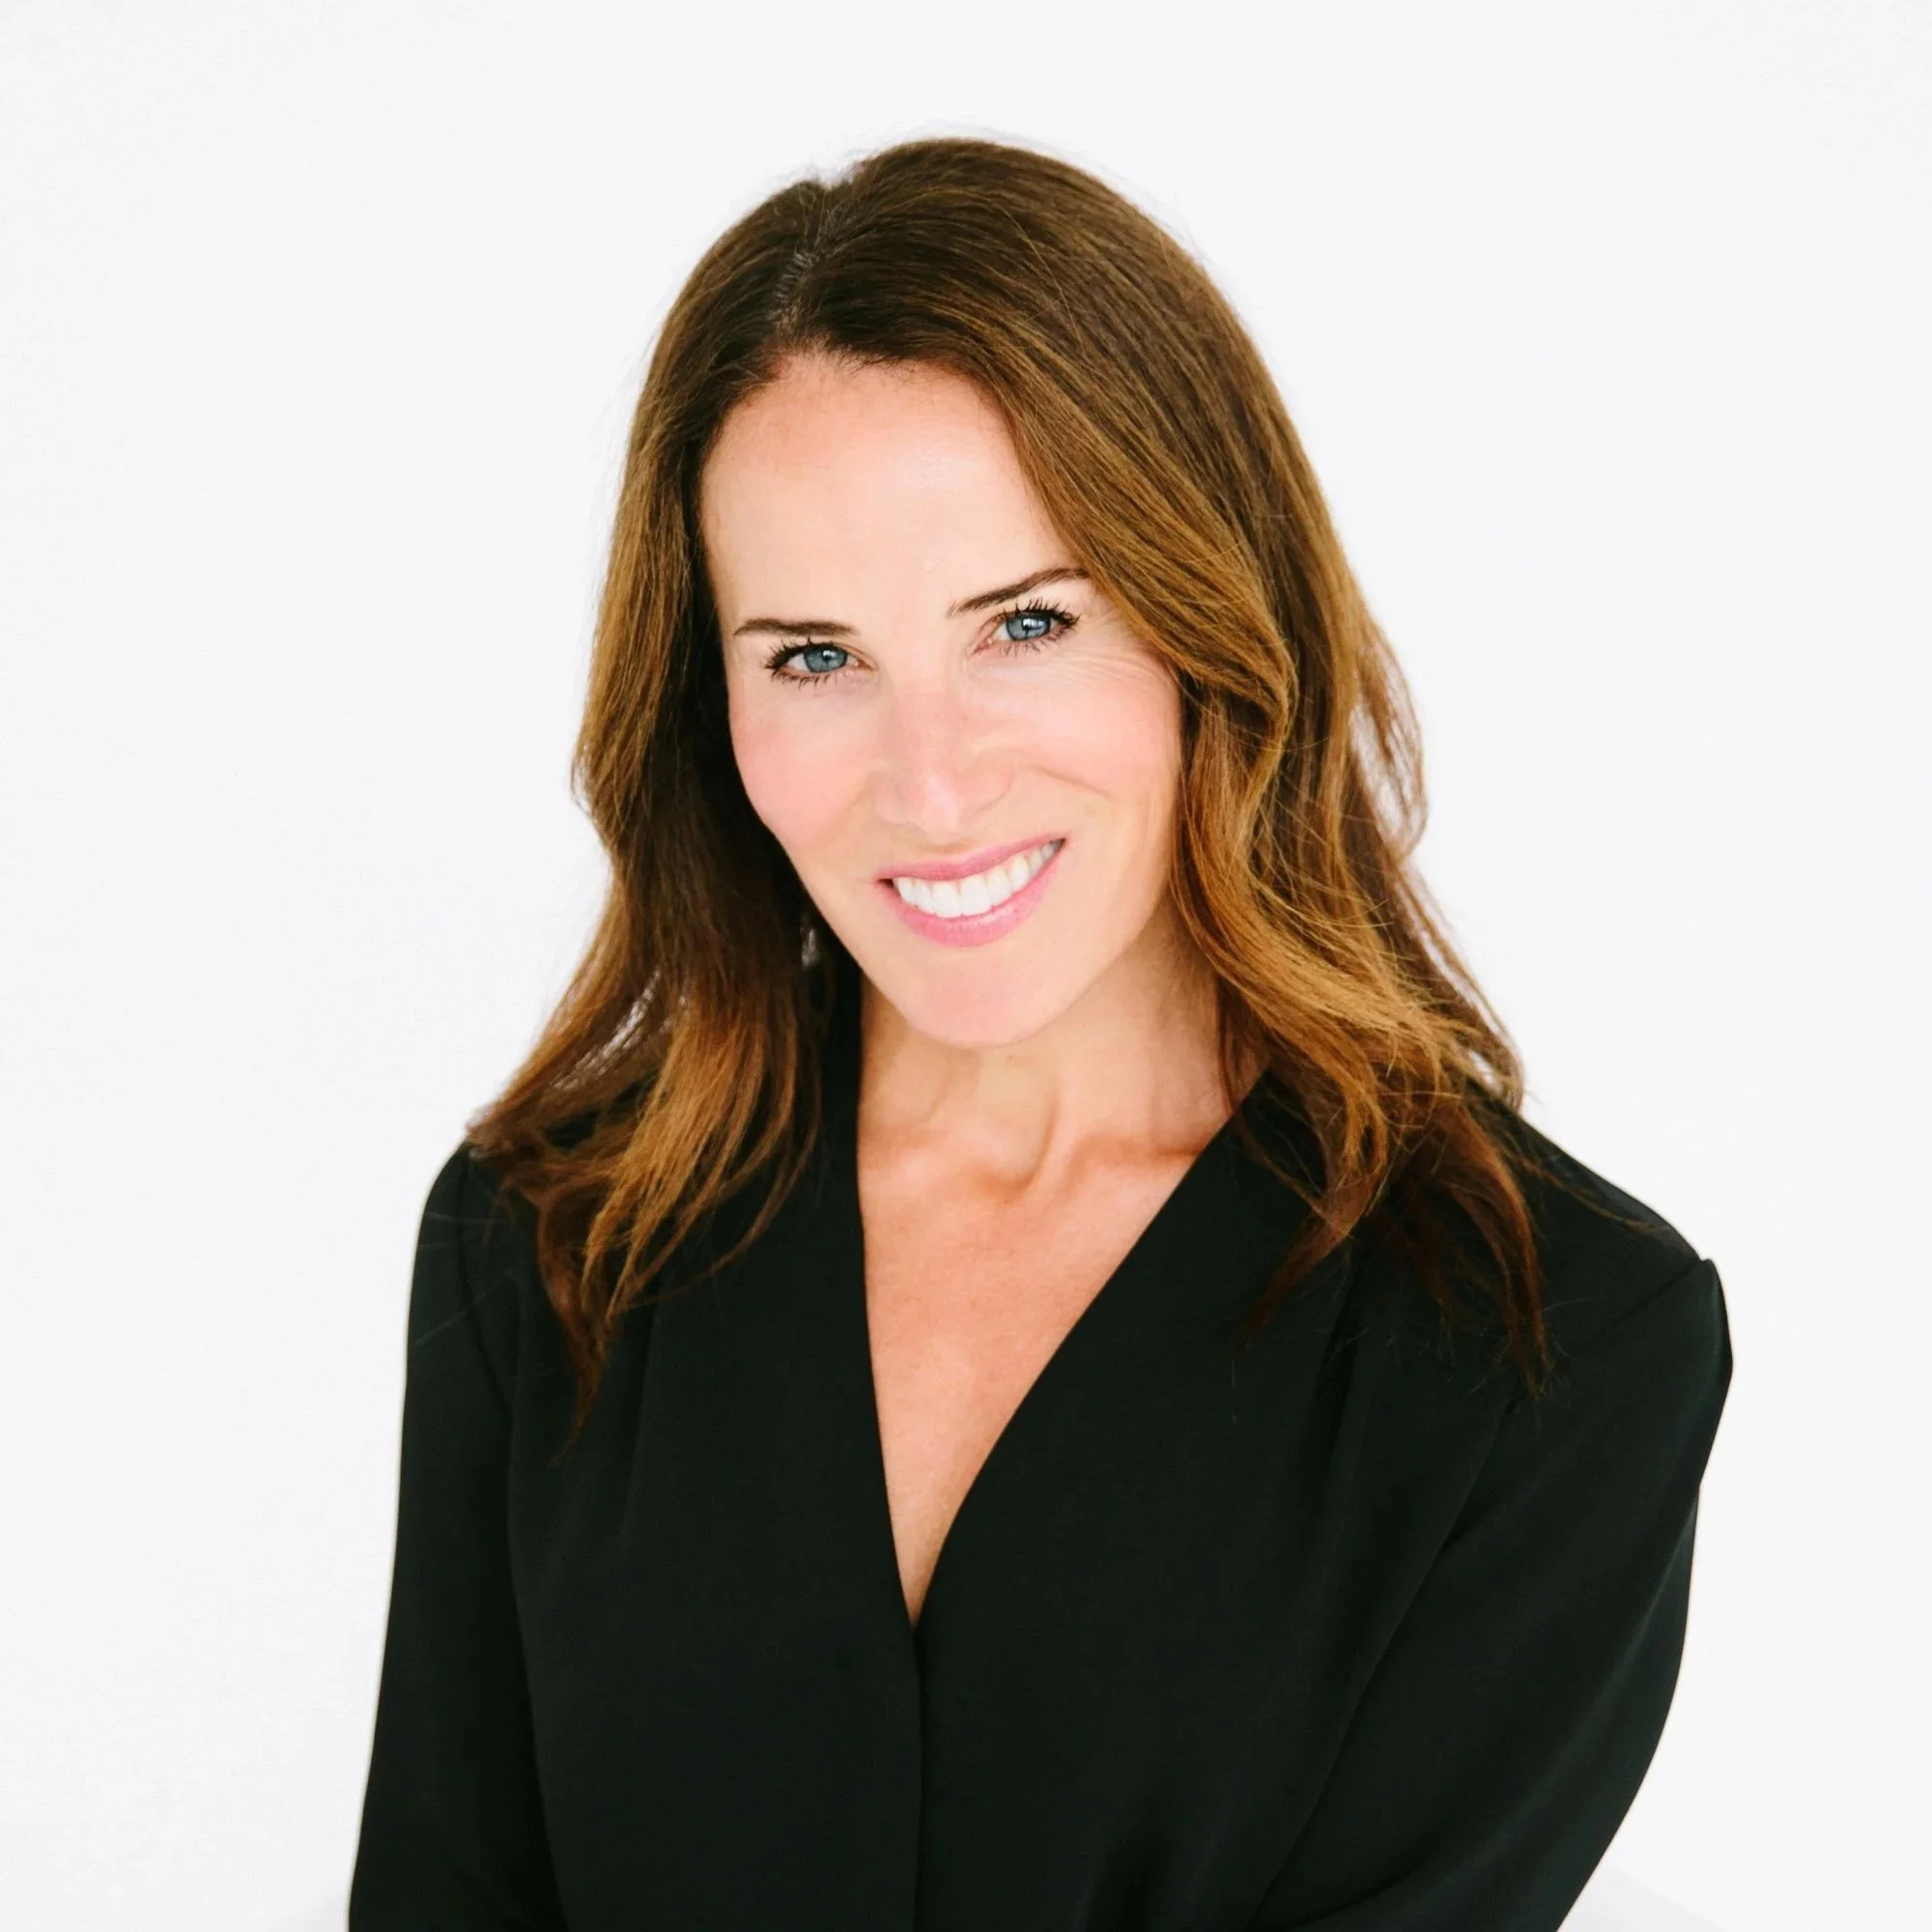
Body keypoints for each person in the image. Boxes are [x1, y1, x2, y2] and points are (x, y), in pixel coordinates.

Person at [348, 136, 1732, 1931]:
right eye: (813, 656)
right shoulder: (548, 1243)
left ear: (1207, 620)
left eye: (1024, 623)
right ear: (709, 700)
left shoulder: (1548, 1345)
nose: (931, 785)